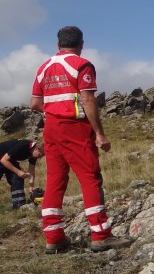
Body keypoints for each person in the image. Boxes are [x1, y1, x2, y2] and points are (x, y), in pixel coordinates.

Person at [30, 26, 131, 254]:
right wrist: (100, 133)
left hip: (51, 129)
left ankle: (54, 238)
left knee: (55, 181)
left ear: (58, 44)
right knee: (89, 177)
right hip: (74, 128)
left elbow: (34, 103)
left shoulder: (43, 67)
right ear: (81, 44)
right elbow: (87, 99)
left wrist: (54, 110)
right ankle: (101, 235)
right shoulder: (81, 65)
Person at [0, 139, 44, 209]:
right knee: (18, 174)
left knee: (17, 178)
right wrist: (18, 171)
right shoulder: (23, 145)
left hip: (9, 159)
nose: (40, 157)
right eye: (40, 155)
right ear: (36, 149)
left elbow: (31, 168)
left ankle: (18, 205)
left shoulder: (33, 154)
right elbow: (3, 160)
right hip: (3, 158)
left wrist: (31, 186)